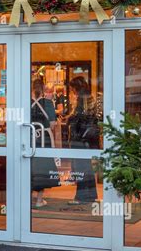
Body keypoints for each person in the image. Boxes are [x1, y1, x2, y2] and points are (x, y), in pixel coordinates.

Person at [65, 77, 99, 204]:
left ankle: (81, 197)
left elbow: (79, 118)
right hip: (88, 138)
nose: (72, 91)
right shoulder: (90, 98)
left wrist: (69, 119)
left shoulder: (81, 99)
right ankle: (90, 195)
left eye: (72, 88)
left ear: (76, 87)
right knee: (87, 167)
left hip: (79, 138)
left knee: (80, 167)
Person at [31, 78, 59, 207]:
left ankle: (28, 198)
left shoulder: (26, 102)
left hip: (30, 137)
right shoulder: (47, 103)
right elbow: (52, 124)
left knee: (30, 166)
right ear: (43, 89)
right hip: (44, 138)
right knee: (43, 167)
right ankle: (39, 200)